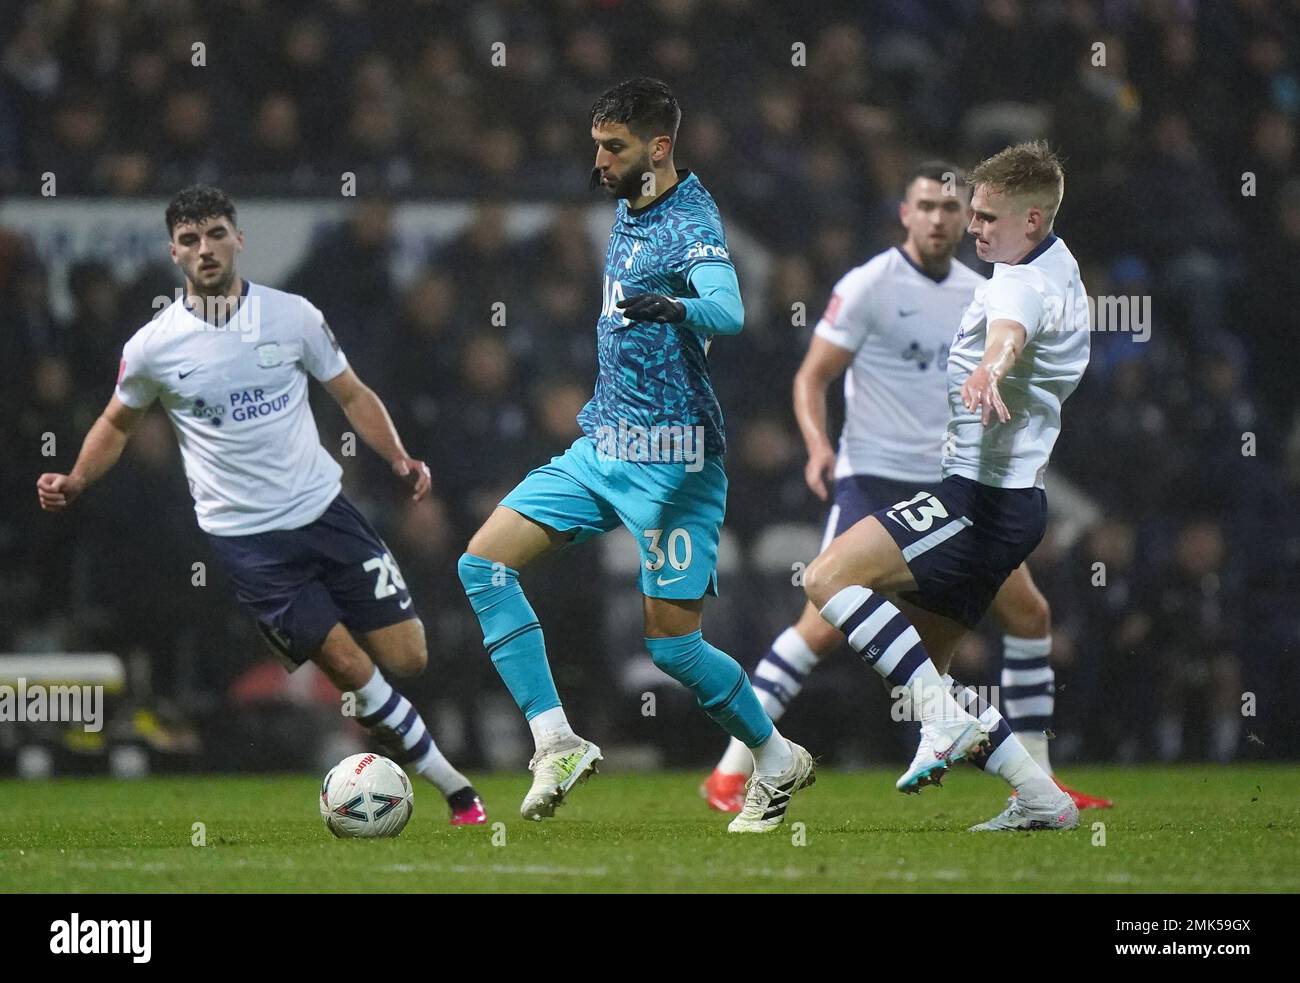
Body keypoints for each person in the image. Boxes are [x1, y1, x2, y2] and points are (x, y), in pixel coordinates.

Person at [36, 185, 486, 826]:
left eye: (216, 233)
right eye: (190, 240)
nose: (205, 248)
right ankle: (456, 789)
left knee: (408, 656)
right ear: (173, 252)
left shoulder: (293, 316)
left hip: (327, 513)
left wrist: (397, 457)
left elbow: (352, 394)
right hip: (250, 543)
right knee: (355, 668)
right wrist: (78, 477)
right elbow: (116, 421)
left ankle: (315, 648)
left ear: (238, 238)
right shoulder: (154, 346)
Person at [456, 78, 813, 833]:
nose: (600, 158)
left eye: (613, 146)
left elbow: (732, 309)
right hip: (603, 444)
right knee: (482, 563)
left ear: (657, 148)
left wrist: (675, 305)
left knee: (673, 648)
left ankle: (775, 757)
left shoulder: (693, 222)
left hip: (674, 462)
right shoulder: (627, 201)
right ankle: (556, 740)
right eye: (596, 143)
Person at [703, 162, 1110, 813]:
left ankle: (1027, 773)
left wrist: (995, 367)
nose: (949, 221)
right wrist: (817, 445)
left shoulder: (996, 285)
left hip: (956, 491)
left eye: (961, 210)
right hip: (877, 477)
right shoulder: (871, 285)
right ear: (905, 213)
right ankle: (731, 767)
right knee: (823, 621)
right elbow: (812, 376)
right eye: (933, 207)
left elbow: (1010, 332)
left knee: (991, 624)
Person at [801, 142, 1090, 831]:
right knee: (923, 665)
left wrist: (992, 366)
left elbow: (1009, 331)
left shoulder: (1021, 284)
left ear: (1031, 217)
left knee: (825, 577)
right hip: (1014, 502)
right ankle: (1041, 797)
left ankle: (951, 723)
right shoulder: (1056, 259)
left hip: (978, 501)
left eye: (988, 217)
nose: (974, 228)